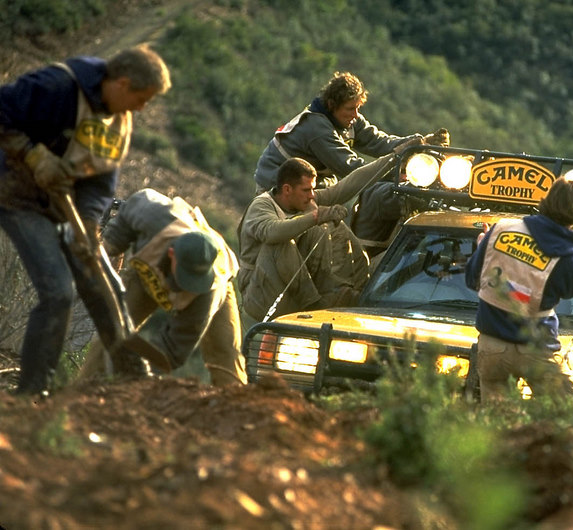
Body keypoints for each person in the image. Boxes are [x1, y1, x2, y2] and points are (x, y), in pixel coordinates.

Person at [0, 44, 171, 395]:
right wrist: (32, 154)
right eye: (141, 98)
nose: (142, 108)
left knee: (104, 280)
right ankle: (34, 391)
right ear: (121, 84)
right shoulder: (58, 86)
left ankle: (130, 374)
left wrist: (91, 224)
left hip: (66, 206)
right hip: (17, 197)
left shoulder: (119, 119)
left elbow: (101, 181)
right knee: (58, 291)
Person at [251, 71, 449, 250]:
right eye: (350, 109)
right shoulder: (316, 128)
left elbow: (379, 142)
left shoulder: (350, 120)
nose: (355, 115)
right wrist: (401, 172)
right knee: (320, 240)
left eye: (358, 108)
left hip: (312, 186)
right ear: (332, 106)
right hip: (280, 190)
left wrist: (419, 144)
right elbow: (350, 168)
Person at [77, 188, 248, 386]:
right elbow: (134, 203)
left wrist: (139, 368)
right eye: (186, 276)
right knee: (111, 332)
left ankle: (234, 412)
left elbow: (174, 350)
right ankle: (79, 396)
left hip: (215, 287)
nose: (187, 285)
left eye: (195, 279)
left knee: (226, 357)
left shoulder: (208, 291)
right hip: (149, 272)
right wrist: (112, 245)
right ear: (172, 254)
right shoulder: (154, 217)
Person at [238, 142, 418, 326]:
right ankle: (314, 303)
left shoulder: (304, 199)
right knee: (283, 239)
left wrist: (394, 157)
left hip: (291, 288)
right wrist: (316, 216)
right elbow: (272, 233)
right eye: (306, 190)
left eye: (312, 190)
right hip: (260, 293)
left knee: (328, 227)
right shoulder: (262, 206)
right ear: (286, 189)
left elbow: (349, 185)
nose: (311, 196)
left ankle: (347, 288)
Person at [465, 177, 573, 411]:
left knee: (498, 420)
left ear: (546, 200)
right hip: (536, 348)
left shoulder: (500, 229)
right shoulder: (567, 255)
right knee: (564, 412)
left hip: (491, 346)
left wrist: (483, 246)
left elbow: (472, 277)